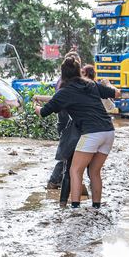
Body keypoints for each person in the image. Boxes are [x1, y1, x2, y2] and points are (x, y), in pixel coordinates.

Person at [35, 55, 121, 208]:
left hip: (91, 133)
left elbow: (43, 112)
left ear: (63, 74)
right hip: (108, 131)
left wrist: (35, 107)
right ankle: (96, 207)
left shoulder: (64, 92)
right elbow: (117, 93)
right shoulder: (91, 85)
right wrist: (108, 84)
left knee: (75, 170)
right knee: (94, 172)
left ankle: (75, 208)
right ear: (78, 71)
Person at [44, 51, 82, 189]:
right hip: (67, 123)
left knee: (69, 154)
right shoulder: (67, 84)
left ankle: (62, 183)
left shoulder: (64, 81)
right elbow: (53, 105)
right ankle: (55, 181)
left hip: (64, 122)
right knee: (67, 155)